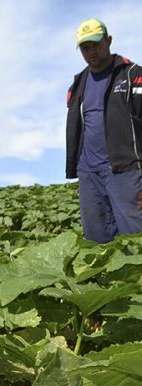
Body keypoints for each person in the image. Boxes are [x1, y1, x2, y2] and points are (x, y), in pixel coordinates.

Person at [66, 18, 142, 243]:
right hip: (89, 174)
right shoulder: (77, 84)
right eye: (85, 47)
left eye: (96, 44)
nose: (91, 51)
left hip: (126, 171)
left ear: (108, 41)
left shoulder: (132, 75)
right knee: (96, 240)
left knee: (135, 238)